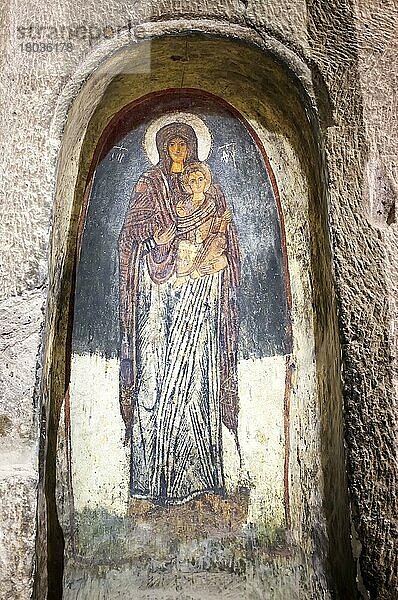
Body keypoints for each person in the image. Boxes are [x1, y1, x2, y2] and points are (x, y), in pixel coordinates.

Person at [118, 121, 241, 505]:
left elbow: (227, 237)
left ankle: (200, 478)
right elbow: (129, 233)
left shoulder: (214, 190)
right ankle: (152, 480)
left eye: (182, 143)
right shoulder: (149, 185)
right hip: (157, 298)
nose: (177, 149)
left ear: (192, 147)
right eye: (170, 143)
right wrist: (155, 238)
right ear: (159, 146)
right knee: (156, 376)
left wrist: (211, 255)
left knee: (197, 381)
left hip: (200, 293)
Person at [174, 161, 232, 287]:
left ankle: (199, 271)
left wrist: (224, 220)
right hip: (189, 245)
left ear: (206, 181)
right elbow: (181, 226)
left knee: (221, 255)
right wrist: (181, 214)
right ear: (188, 184)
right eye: (193, 181)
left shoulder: (211, 202)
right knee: (184, 245)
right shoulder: (184, 204)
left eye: (200, 179)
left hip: (206, 242)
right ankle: (182, 276)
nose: (197, 184)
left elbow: (215, 225)